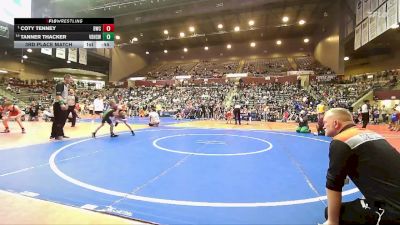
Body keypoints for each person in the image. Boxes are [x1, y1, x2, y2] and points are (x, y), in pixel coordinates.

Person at [322, 108, 400, 225]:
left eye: (325, 123)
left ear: (335, 123)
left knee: (330, 212)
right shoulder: (372, 134)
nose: (323, 126)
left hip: (393, 211)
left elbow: (333, 183)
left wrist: (332, 221)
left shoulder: (341, 140)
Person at [51, 74, 73, 140]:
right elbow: (58, 95)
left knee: (62, 120)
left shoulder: (66, 86)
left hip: (63, 104)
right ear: (66, 78)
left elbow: (65, 97)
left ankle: (57, 134)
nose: (71, 80)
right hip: (59, 104)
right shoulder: (60, 84)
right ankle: (58, 135)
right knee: (59, 120)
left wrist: (67, 104)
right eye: (70, 79)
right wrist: (62, 104)